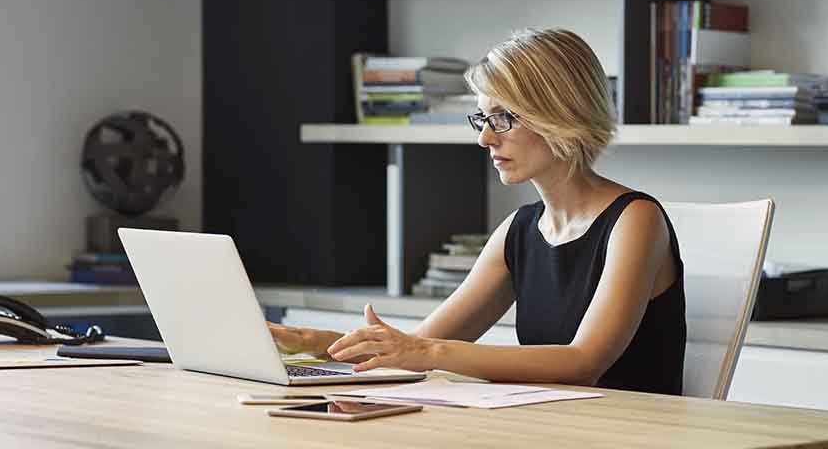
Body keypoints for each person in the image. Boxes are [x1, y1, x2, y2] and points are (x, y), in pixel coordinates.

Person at [269, 28, 686, 392]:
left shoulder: (635, 220)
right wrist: (304, 338)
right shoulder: (520, 230)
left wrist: (425, 350)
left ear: (560, 113)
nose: (485, 139)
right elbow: (420, 342)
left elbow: (582, 364)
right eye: (482, 119)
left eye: (503, 118)